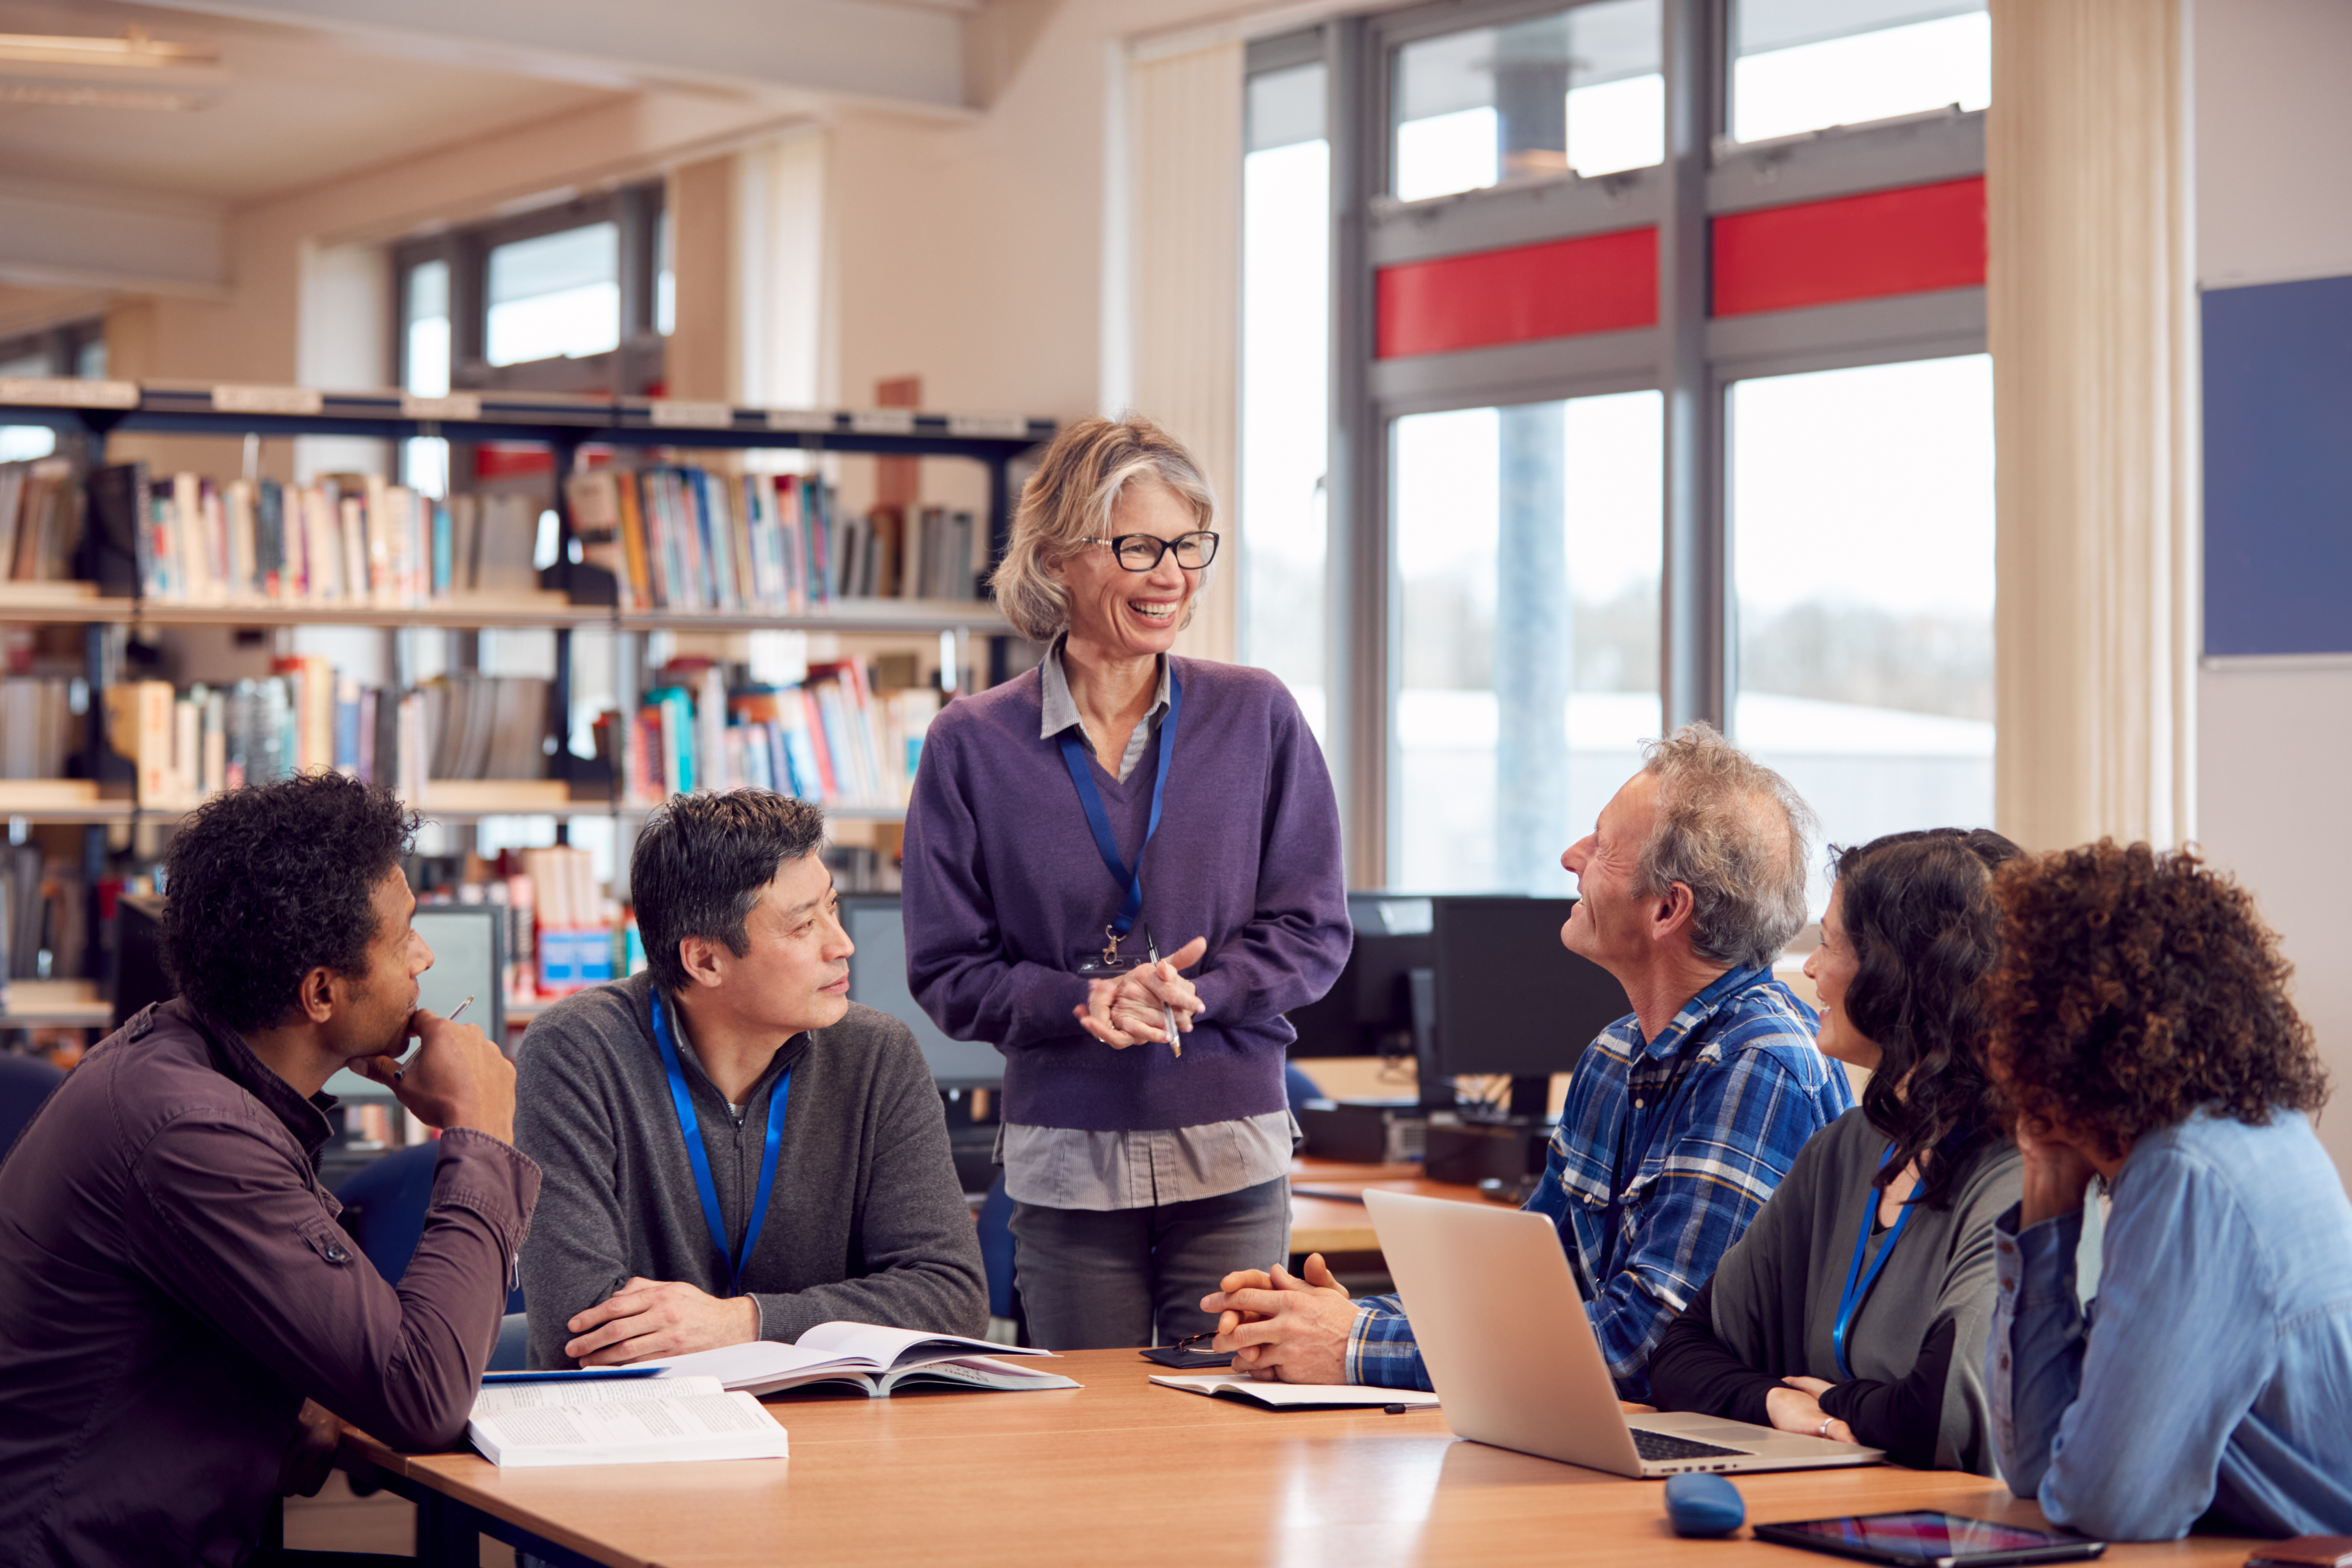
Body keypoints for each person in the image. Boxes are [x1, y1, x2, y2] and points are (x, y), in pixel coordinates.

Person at [1207, 724, 1853, 1399]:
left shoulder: (1760, 1069)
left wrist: (1353, 1347)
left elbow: (1643, 1351)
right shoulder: (1613, 1058)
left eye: (1601, 846)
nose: (1571, 856)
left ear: (1668, 909)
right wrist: (1332, 1320)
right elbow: (1528, 1299)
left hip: (1719, 1465)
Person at [0, 775, 537, 1567]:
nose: (424, 956)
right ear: (320, 992)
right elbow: (421, 1392)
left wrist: (303, 1383)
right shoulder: (194, 1131)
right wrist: (482, 1134)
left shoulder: (181, 1058)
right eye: (403, 939)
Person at [900, 413, 1350, 1350]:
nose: (1173, 577)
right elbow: (948, 971)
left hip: (1230, 1142)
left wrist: (1199, 991)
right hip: (1066, 1156)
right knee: (1090, 1440)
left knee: (1228, 1429)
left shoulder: (1256, 713)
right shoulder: (971, 743)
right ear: (1061, 555)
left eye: (1190, 546)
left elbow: (1313, 930)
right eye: (1140, 546)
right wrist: (1084, 1001)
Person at [517, 790, 985, 1368]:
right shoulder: (578, 1050)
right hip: (644, 1430)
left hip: (830, 1426)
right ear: (706, 961)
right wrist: (828, 1321)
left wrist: (744, 1322)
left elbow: (952, 1298)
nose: (843, 945)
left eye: (832, 909)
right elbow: (581, 1324)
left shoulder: (877, 1054)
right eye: (802, 926)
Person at [1983, 841, 2352, 1539]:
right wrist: (2048, 1186)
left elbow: (2108, 1504)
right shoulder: (2239, 1132)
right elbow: (2036, 1469)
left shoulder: (2190, 1176)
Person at [1648, 828, 2024, 1473]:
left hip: (1955, 1530)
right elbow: (1681, 1354)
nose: (1814, 968)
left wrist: (1839, 1404)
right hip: (1838, 1508)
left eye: (1828, 944)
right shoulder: (1848, 1151)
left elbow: (1943, 1417)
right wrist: (1776, 1404)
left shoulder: (2022, 1171)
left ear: (1902, 975)